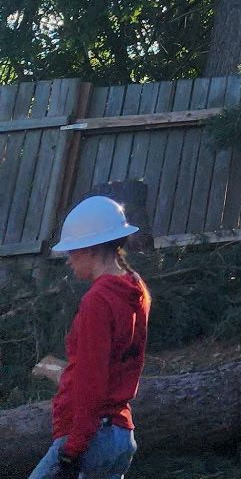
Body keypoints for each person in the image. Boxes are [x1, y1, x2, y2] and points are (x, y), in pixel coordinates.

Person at [29, 197, 151, 479]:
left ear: (91, 249)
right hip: (120, 436)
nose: (69, 260)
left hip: (91, 437)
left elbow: (91, 379)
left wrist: (74, 448)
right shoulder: (136, 288)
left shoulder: (98, 300)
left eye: (72, 251)